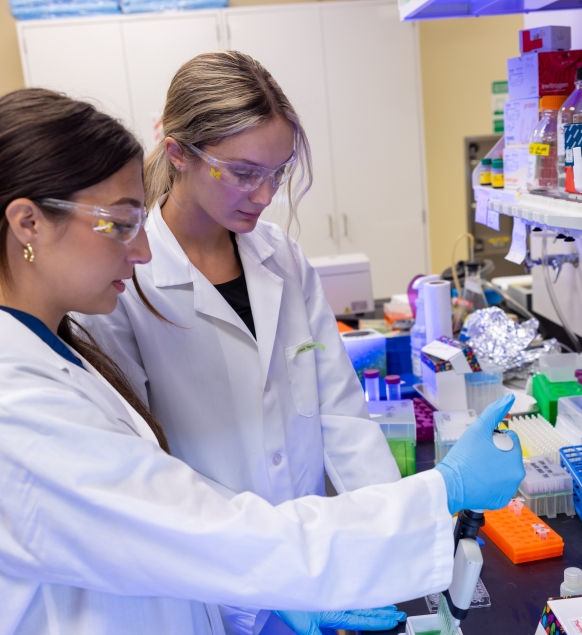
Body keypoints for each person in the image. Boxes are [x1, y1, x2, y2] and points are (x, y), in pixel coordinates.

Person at [0, 87, 525, 635]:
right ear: (27, 223)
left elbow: (168, 537)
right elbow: (207, 533)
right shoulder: (2, 404)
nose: (141, 251)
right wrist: (439, 491)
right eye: (118, 224)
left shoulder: (40, 354)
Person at [77, 53, 403, 631]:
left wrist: (392, 541)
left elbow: (342, 414)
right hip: (214, 581)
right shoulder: (125, 283)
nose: (265, 194)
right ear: (178, 153)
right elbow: (145, 470)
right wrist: (265, 578)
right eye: (246, 172)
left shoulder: (281, 256)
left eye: (277, 173)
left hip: (311, 565)